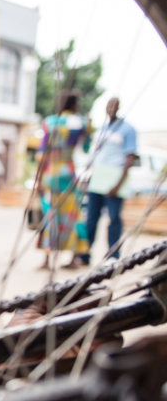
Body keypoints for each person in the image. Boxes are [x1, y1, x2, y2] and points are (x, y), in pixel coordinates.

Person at [36, 90, 92, 270]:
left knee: (50, 214)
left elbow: (40, 153)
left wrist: (38, 180)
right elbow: (85, 147)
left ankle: (47, 259)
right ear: (75, 105)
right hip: (68, 172)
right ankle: (74, 257)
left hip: (50, 173)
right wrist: (88, 129)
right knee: (72, 215)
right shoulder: (81, 122)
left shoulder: (49, 122)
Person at [83, 97, 137, 263]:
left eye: (114, 105)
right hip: (97, 178)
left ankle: (113, 255)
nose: (111, 108)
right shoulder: (102, 129)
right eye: (109, 105)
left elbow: (129, 158)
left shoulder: (128, 129)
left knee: (113, 218)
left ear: (119, 107)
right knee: (91, 217)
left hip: (114, 180)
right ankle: (84, 253)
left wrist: (118, 184)